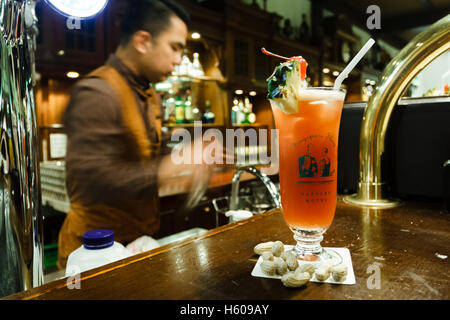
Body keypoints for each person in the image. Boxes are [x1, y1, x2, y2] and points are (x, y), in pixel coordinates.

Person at [57, 0, 210, 269]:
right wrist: (170, 166)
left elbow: (147, 151)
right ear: (142, 41)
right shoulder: (97, 92)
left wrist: (188, 154)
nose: (178, 59)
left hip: (135, 244)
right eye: (175, 47)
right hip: (93, 255)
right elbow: (92, 180)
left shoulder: (150, 95)